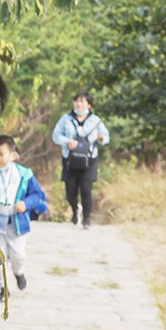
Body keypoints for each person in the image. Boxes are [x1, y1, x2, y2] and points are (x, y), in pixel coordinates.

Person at [0, 135, 48, 300]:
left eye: (1, 154)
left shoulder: (24, 174)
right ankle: (3, 288)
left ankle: (19, 273)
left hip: (16, 223)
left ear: (12, 155)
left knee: (19, 255)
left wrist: (26, 203)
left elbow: (37, 194)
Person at [51, 91, 110, 228]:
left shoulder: (96, 120)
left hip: (89, 160)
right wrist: (67, 142)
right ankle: (75, 209)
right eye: (77, 101)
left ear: (89, 105)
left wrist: (101, 139)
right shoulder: (65, 119)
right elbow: (55, 135)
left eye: (82, 101)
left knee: (86, 189)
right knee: (70, 191)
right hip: (70, 159)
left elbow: (106, 137)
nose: (79, 104)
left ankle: (87, 220)